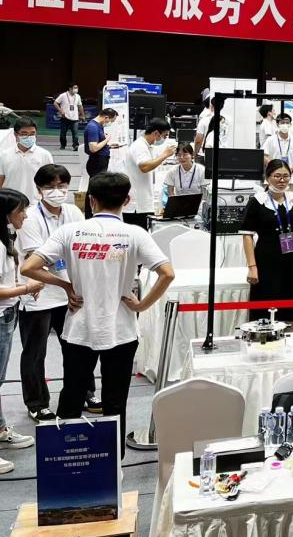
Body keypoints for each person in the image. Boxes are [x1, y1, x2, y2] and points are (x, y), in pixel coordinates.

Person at [22, 173, 175, 457]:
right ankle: (112, 465)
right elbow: (167, 273)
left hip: (79, 328)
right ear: (127, 200)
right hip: (122, 329)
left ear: (91, 200)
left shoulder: (70, 232)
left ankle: (66, 458)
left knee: (72, 395)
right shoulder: (135, 233)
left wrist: (66, 285)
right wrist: (142, 305)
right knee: (115, 401)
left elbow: (28, 267)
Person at [17, 165, 88, 422]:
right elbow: (36, 262)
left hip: (71, 290)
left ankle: (84, 393)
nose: (56, 191)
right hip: (39, 293)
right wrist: (65, 283)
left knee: (78, 346)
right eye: (50, 187)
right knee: (35, 352)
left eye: (61, 186)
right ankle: (37, 402)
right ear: (38, 190)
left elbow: (83, 248)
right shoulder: (29, 218)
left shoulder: (74, 212)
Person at [241, 160, 293, 327]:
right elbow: (247, 235)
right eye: (277, 176)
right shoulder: (257, 201)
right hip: (265, 260)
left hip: (291, 261)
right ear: (267, 177)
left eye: (286, 176)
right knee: (264, 309)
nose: (282, 180)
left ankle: (291, 340)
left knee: (291, 309)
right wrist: (252, 267)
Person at [0, 190, 38, 473]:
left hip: (7, 313)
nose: (25, 215)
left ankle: (1, 429)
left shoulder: (7, 239)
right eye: (20, 210)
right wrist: (26, 288)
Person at [121, 118, 174, 229]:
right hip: (136, 205)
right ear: (156, 133)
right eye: (164, 136)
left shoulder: (147, 146)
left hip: (142, 202)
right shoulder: (139, 146)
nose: (165, 139)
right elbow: (144, 167)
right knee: (137, 235)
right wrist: (165, 155)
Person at [0, 118, 53, 203]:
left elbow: (50, 181)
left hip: (35, 203)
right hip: (10, 204)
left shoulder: (45, 155)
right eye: (24, 134)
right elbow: (1, 179)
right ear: (15, 134)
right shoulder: (4, 155)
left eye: (32, 134)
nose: (29, 137)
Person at [84, 108, 119, 178]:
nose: (110, 123)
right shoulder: (93, 127)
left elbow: (98, 143)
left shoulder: (99, 125)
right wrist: (107, 139)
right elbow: (93, 148)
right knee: (97, 182)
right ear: (106, 117)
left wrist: (108, 146)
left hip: (101, 160)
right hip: (97, 162)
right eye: (111, 121)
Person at [54, 83, 81, 151]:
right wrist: (61, 111)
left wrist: (82, 115)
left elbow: (80, 106)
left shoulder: (78, 96)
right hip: (65, 117)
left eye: (77, 88)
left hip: (75, 118)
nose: (76, 89)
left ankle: (75, 145)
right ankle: (63, 145)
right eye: (75, 88)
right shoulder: (63, 95)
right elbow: (55, 103)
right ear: (70, 88)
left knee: (75, 133)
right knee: (63, 133)